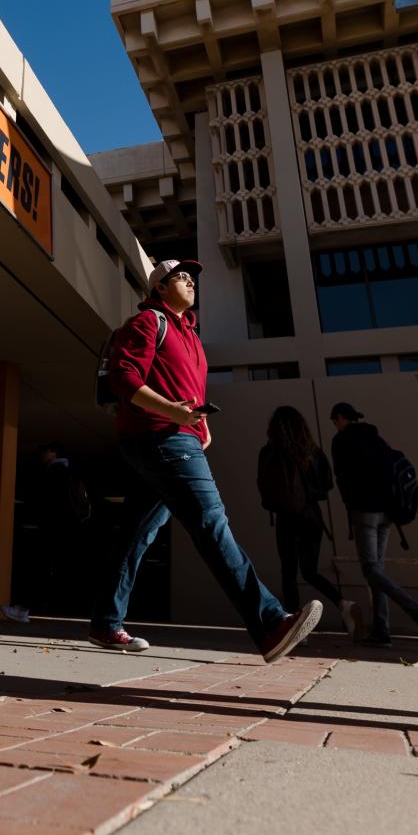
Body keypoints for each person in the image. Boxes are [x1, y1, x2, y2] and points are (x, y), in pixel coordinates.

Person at [98, 258, 322, 661]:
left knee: (138, 532)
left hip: (179, 434)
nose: (189, 281)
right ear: (159, 288)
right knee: (210, 522)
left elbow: (189, 393)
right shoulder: (149, 323)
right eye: (179, 277)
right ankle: (270, 624)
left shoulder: (190, 335)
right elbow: (124, 378)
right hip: (160, 436)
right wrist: (175, 415)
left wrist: (200, 426)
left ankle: (105, 621)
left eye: (191, 277)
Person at [330, 402, 418, 650]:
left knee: (369, 569)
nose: (335, 426)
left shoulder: (342, 441)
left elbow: (342, 479)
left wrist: (351, 504)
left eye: (335, 421)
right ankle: (381, 630)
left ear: (341, 418)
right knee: (377, 571)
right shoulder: (376, 438)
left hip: (364, 512)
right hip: (386, 514)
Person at [257, 406, 363, 639]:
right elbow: (326, 484)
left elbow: (264, 490)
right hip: (312, 517)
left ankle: (296, 630)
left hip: (287, 517)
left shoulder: (270, 452)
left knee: (289, 573)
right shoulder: (312, 451)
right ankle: (343, 604)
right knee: (310, 571)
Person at [3, 442, 91, 622]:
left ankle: (23, 609)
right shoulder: (70, 473)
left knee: (39, 567)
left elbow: (44, 502)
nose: (40, 454)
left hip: (52, 527)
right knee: (50, 568)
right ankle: (26, 608)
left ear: (53, 452)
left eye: (43, 451)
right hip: (66, 528)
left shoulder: (54, 472)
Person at [89, 483, 170, 650]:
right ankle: (107, 625)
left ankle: (105, 625)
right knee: (132, 542)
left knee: (212, 528)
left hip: (178, 466)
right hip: (172, 468)